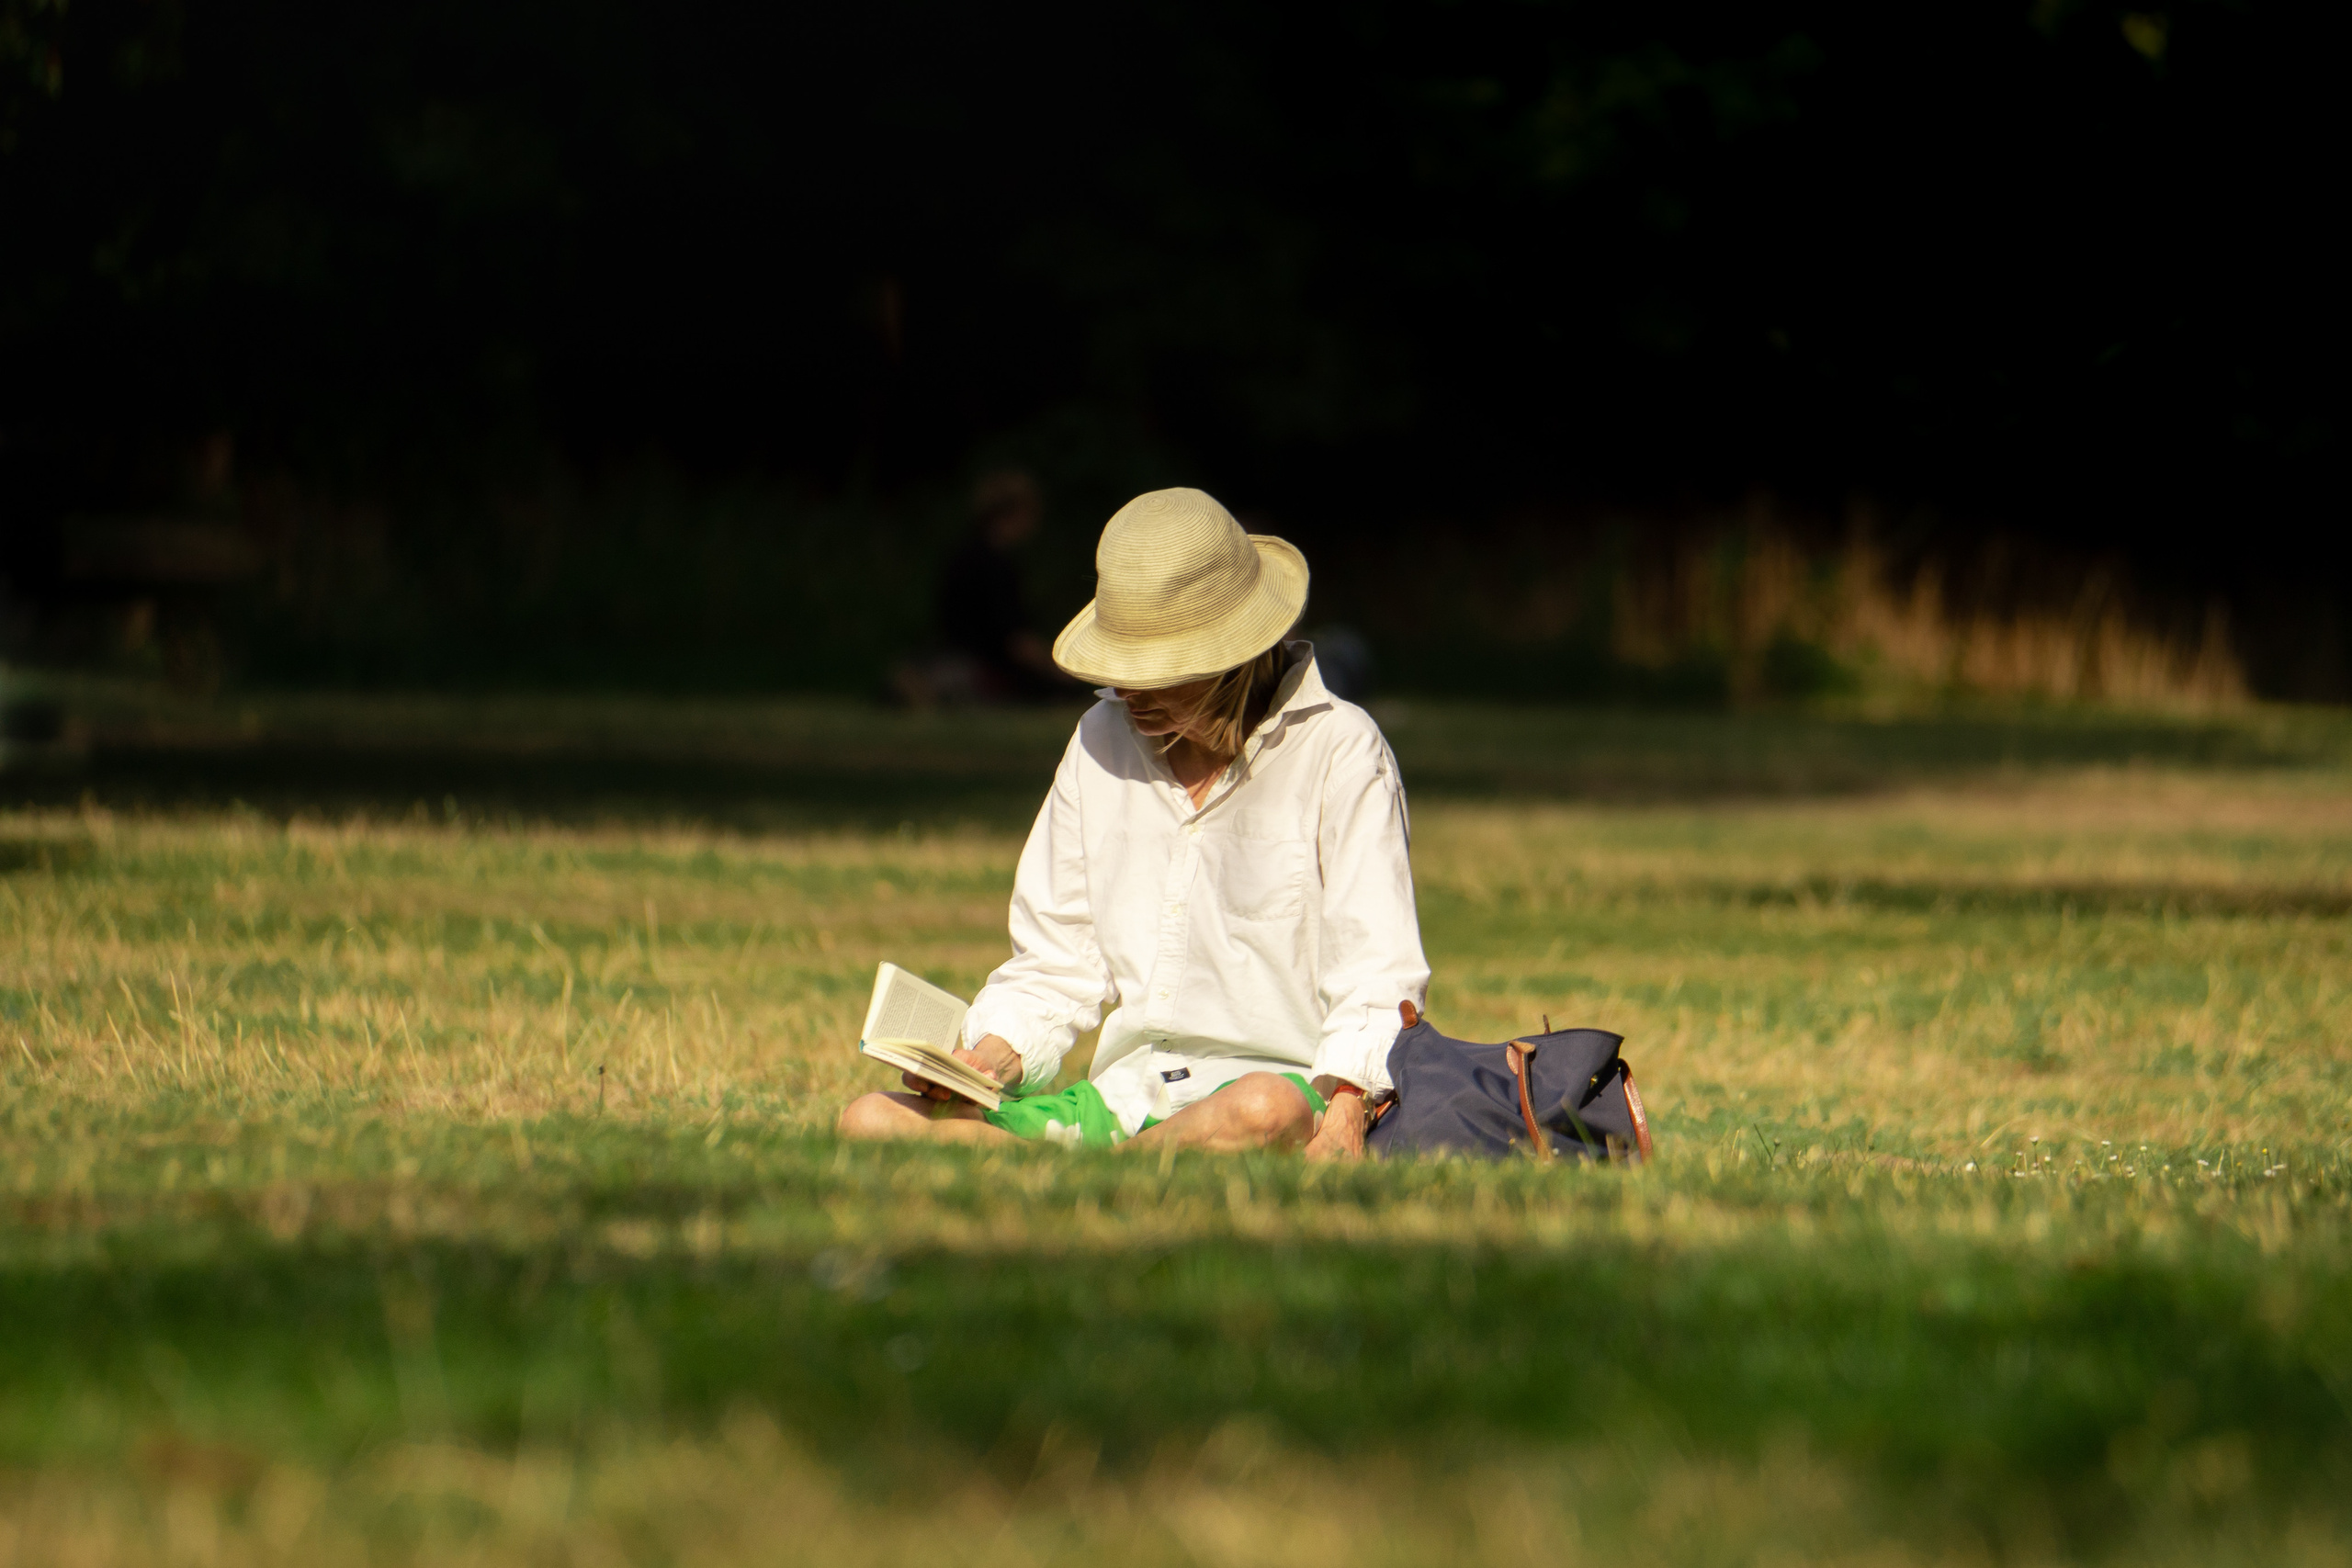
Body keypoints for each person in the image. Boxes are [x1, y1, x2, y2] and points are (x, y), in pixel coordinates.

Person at [839, 487, 1429, 1159]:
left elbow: (1378, 973)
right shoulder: (1099, 739)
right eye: (1121, 668)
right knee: (869, 1118)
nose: (1129, 692)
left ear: (1232, 654)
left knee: (1263, 1107)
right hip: (1123, 1100)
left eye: (1156, 670)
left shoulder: (1342, 749)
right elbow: (1056, 964)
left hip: (1282, 1093)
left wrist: (1350, 1103)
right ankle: (1119, 1168)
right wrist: (986, 1060)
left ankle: (1076, 1178)